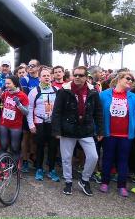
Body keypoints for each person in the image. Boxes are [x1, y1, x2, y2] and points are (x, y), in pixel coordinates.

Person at [52, 66, 102, 196]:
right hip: (68, 129)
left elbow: (98, 112)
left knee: (93, 156)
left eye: (80, 75)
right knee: (66, 158)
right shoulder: (64, 91)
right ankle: (68, 182)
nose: (77, 77)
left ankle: (84, 180)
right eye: (75, 75)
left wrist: (101, 130)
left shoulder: (93, 91)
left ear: (86, 77)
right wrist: (56, 130)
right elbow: (57, 112)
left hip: (86, 129)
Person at [99, 71, 135, 197]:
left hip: (126, 136)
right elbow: (99, 115)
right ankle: (105, 182)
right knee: (107, 158)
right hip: (109, 134)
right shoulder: (104, 95)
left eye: (132, 80)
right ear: (119, 79)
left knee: (123, 160)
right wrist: (99, 130)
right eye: (128, 78)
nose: (130, 81)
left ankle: (122, 185)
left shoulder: (133, 97)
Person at [28, 68, 60, 182]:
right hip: (39, 123)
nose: (46, 77)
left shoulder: (56, 90)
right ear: (40, 77)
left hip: (52, 123)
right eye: (44, 75)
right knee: (40, 147)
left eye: (48, 75)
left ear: (51, 77)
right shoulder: (34, 91)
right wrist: (31, 124)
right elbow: (30, 108)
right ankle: (39, 169)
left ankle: (51, 170)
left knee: (52, 147)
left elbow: (59, 109)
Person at [0, 76, 28, 161]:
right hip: (4, 124)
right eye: (5, 83)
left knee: (15, 147)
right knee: (3, 145)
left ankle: (14, 166)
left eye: (8, 83)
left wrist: (19, 104)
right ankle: (2, 165)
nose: (6, 85)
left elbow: (26, 112)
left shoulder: (22, 96)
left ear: (14, 84)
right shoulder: (6, 93)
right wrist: (0, 91)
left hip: (15, 126)